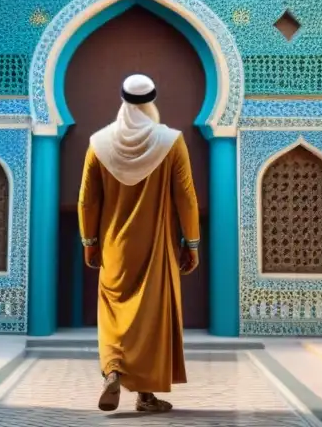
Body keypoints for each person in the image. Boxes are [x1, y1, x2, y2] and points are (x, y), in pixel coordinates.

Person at [78, 74, 201, 413]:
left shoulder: (99, 143)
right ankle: (145, 396)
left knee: (115, 313)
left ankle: (114, 370)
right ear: (152, 102)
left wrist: (89, 241)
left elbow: (87, 200)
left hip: (114, 248)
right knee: (151, 318)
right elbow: (186, 197)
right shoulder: (170, 141)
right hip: (156, 247)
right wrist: (191, 243)